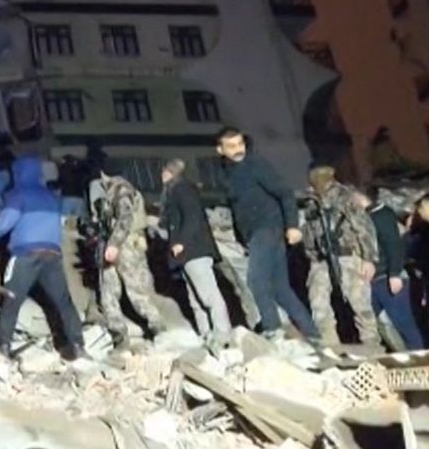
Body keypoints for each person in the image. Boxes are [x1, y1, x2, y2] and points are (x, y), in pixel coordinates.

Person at [0, 156, 85, 359]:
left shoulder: (18, 195)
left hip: (25, 254)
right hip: (53, 254)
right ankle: (78, 344)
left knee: (11, 299)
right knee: (64, 301)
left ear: (18, 174)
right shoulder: (51, 197)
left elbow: (4, 224)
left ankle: (3, 345)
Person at [215, 126, 322, 344]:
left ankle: (273, 329)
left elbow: (284, 192)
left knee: (256, 280)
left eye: (240, 144)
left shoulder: (255, 165)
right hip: (256, 234)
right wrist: (242, 239)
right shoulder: (229, 174)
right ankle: (312, 333)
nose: (238, 150)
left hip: (268, 227)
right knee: (280, 288)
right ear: (220, 150)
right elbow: (238, 210)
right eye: (231, 146)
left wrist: (292, 225)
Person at [300, 165, 380, 347]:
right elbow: (308, 232)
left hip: (348, 256)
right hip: (321, 259)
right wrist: (312, 255)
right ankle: (331, 347)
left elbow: (364, 227)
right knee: (318, 304)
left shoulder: (345, 196)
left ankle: (372, 347)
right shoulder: (311, 201)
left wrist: (369, 259)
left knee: (360, 305)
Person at [160, 159, 231, 344]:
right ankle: (207, 334)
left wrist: (181, 242)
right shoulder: (177, 190)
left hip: (194, 250)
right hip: (188, 253)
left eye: (165, 171)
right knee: (196, 298)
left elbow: (192, 216)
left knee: (207, 295)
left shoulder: (181, 189)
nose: (162, 175)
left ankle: (222, 333)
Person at [95, 167, 167, 347]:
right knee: (108, 292)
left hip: (126, 246)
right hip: (116, 244)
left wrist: (114, 244)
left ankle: (159, 331)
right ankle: (119, 335)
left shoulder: (121, 189)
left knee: (136, 292)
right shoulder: (111, 191)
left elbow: (125, 218)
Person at [357, 189, 424, 350]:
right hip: (374, 280)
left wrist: (394, 274)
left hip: (387, 278)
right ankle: (405, 359)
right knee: (384, 327)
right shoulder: (364, 218)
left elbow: (394, 245)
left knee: (404, 324)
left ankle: (421, 363)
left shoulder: (381, 215)